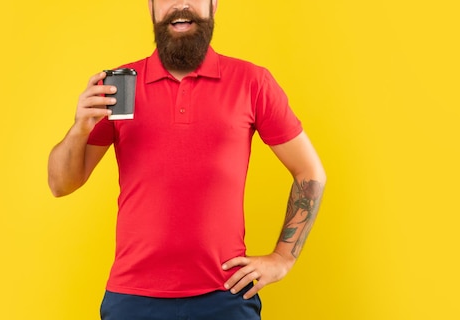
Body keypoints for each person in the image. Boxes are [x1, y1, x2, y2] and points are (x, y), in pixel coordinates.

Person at [48, 0, 326, 319]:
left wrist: (283, 258)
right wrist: (79, 128)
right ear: (151, 6)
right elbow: (61, 184)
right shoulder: (117, 86)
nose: (181, 4)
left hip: (226, 296)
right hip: (133, 298)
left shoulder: (253, 82)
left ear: (214, 5)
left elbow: (310, 172)